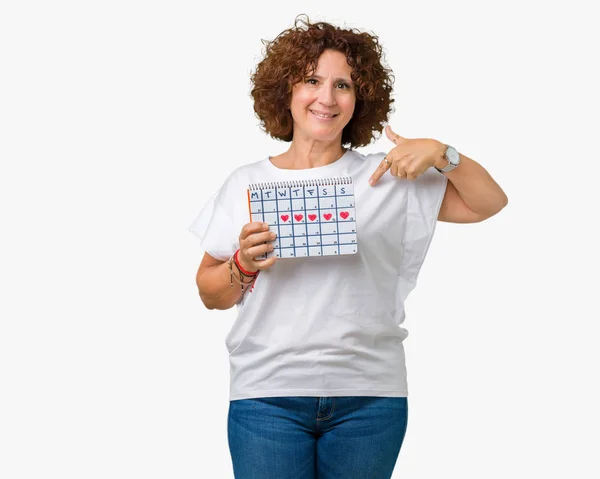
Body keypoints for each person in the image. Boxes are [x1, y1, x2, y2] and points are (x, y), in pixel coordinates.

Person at [189, 15, 507, 479]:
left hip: (370, 398)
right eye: (312, 80)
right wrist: (241, 264)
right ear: (287, 91)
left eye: (343, 85)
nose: (326, 97)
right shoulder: (246, 183)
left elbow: (488, 203)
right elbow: (209, 293)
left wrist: (443, 153)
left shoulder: (389, 176)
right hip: (266, 396)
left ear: (360, 100)